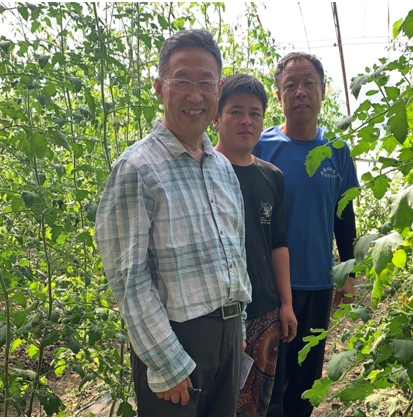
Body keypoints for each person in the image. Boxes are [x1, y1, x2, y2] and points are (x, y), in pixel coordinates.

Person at [94, 29, 252, 417]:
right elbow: (128, 277)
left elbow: (236, 250)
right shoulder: (137, 168)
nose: (195, 94)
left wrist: (240, 330)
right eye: (182, 80)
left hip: (228, 335)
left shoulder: (222, 168)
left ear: (218, 89)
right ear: (159, 88)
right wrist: (166, 362)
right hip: (178, 340)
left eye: (206, 82)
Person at [253, 52, 359, 417]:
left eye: (308, 83)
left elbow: (344, 218)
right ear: (279, 97)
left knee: (305, 381)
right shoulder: (261, 148)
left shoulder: (337, 153)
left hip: (317, 285)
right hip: (265, 289)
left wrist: (349, 275)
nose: (300, 92)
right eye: (290, 86)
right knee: (266, 380)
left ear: (323, 91)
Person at [213, 74, 297, 417]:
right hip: (216, 317)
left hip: (265, 311)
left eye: (255, 113)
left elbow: (278, 242)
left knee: (257, 407)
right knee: (215, 405)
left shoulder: (272, 176)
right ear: (216, 118)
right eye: (235, 112)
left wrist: (286, 304)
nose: (246, 121)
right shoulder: (202, 170)